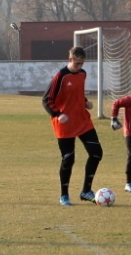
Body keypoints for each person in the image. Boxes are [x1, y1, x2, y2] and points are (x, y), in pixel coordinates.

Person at [42, 46, 102, 206]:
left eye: (82, 63)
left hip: (82, 120)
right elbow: (46, 100)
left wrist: (85, 103)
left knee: (97, 153)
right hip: (64, 124)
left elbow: (77, 95)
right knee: (69, 159)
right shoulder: (60, 76)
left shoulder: (82, 74)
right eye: (77, 63)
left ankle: (86, 191)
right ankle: (64, 195)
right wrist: (57, 114)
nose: (79, 67)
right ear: (70, 60)